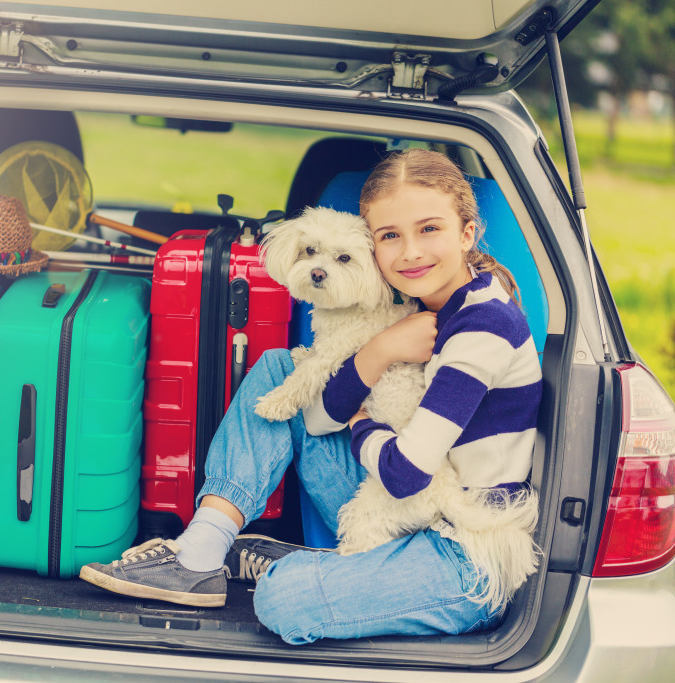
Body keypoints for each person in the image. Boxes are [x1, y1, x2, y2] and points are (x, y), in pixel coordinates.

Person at [79, 148, 543, 644]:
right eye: (390, 236)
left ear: (467, 232)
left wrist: (362, 421)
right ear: (373, 247)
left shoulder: (484, 324)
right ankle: (199, 552)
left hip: (462, 556)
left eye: (429, 229)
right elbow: (319, 421)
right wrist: (382, 349)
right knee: (283, 369)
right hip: (396, 503)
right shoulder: (407, 307)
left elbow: (406, 475)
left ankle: (314, 570)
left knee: (283, 598)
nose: (410, 252)